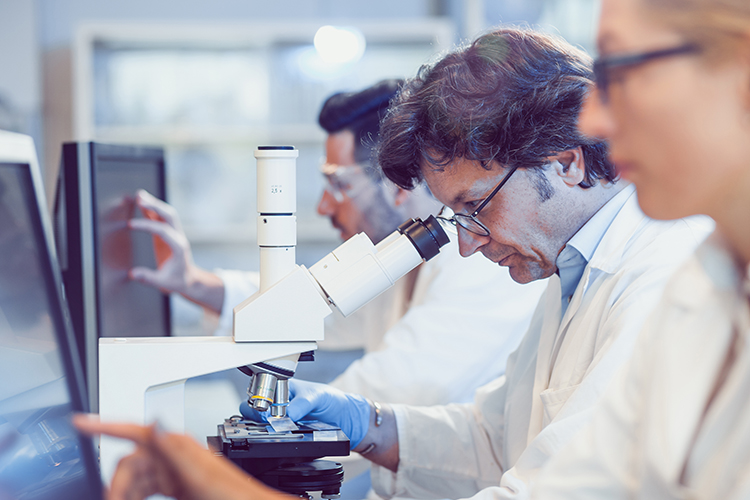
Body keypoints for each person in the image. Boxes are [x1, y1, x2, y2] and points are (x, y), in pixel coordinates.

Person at [80, 26, 712, 500]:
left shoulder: (659, 280)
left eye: (474, 206)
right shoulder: (568, 269)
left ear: (567, 162)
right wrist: (366, 422)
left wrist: (222, 485)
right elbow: (491, 439)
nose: (466, 244)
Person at [129, 79, 546, 407]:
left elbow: (397, 386)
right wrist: (192, 281)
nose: (324, 206)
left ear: (397, 182)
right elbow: (316, 307)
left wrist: (286, 420)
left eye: (338, 184)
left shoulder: (478, 260)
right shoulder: (401, 255)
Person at [530, 0, 750, 498]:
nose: (591, 123)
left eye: (618, 74)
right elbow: (590, 480)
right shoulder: (702, 281)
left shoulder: (668, 266)